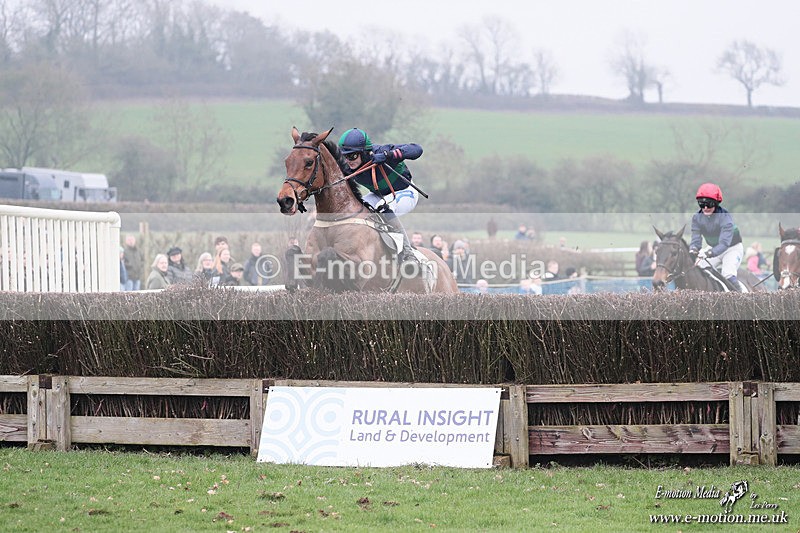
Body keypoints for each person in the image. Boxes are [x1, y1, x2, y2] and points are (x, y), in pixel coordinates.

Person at [337, 127, 422, 262]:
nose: (348, 161)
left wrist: (389, 156)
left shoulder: (381, 152)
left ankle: (408, 253)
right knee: (353, 209)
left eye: (352, 155)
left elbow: (417, 149)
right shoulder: (347, 166)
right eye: (344, 156)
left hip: (405, 192)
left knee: (383, 208)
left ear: (364, 153)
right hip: (379, 195)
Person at [689, 183, 744, 291]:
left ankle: (741, 301)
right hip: (713, 248)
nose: (705, 208)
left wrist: (709, 253)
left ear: (716, 203)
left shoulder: (725, 217)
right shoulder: (696, 218)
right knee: (698, 270)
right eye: (701, 204)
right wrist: (693, 249)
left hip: (731, 249)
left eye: (709, 204)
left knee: (727, 274)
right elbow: (696, 239)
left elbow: (724, 243)